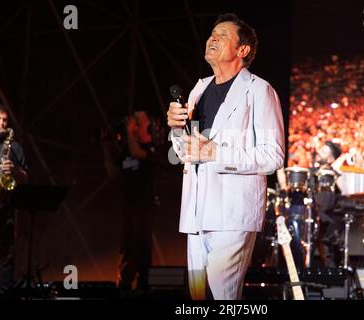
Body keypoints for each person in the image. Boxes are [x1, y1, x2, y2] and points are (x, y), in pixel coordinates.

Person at [167, 13, 284, 300]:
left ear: (242, 50)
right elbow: (186, 152)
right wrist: (175, 129)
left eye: (222, 35)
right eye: (211, 34)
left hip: (232, 214)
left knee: (223, 295)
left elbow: (273, 156)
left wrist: (216, 153)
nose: (212, 39)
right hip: (195, 214)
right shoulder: (198, 89)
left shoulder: (259, 90)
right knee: (197, 297)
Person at [101, 110, 160, 296]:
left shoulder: (152, 146)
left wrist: (128, 132)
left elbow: (137, 152)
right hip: (128, 205)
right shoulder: (126, 149)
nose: (133, 124)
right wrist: (105, 147)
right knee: (127, 246)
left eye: (137, 121)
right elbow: (112, 172)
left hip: (144, 206)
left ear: (147, 126)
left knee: (142, 244)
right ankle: (124, 285)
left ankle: (143, 285)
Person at [0, 104, 28, 299]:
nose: (2, 123)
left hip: (4, 214)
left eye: (5, 120)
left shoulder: (14, 147)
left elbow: (25, 177)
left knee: (4, 266)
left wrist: (15, 171)